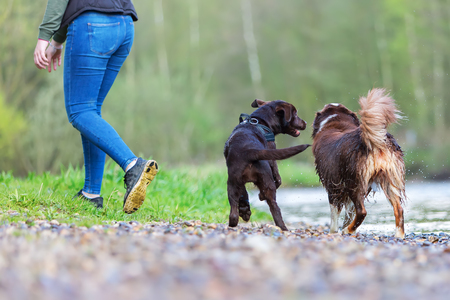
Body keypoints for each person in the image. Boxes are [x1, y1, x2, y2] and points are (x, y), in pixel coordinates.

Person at [33, 0, 158, 214]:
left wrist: (44, 36)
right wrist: (58, 40)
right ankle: (91, 194)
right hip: (124, 25)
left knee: (79, 110)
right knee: (91, 110)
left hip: (94, 27)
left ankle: (132, 164)